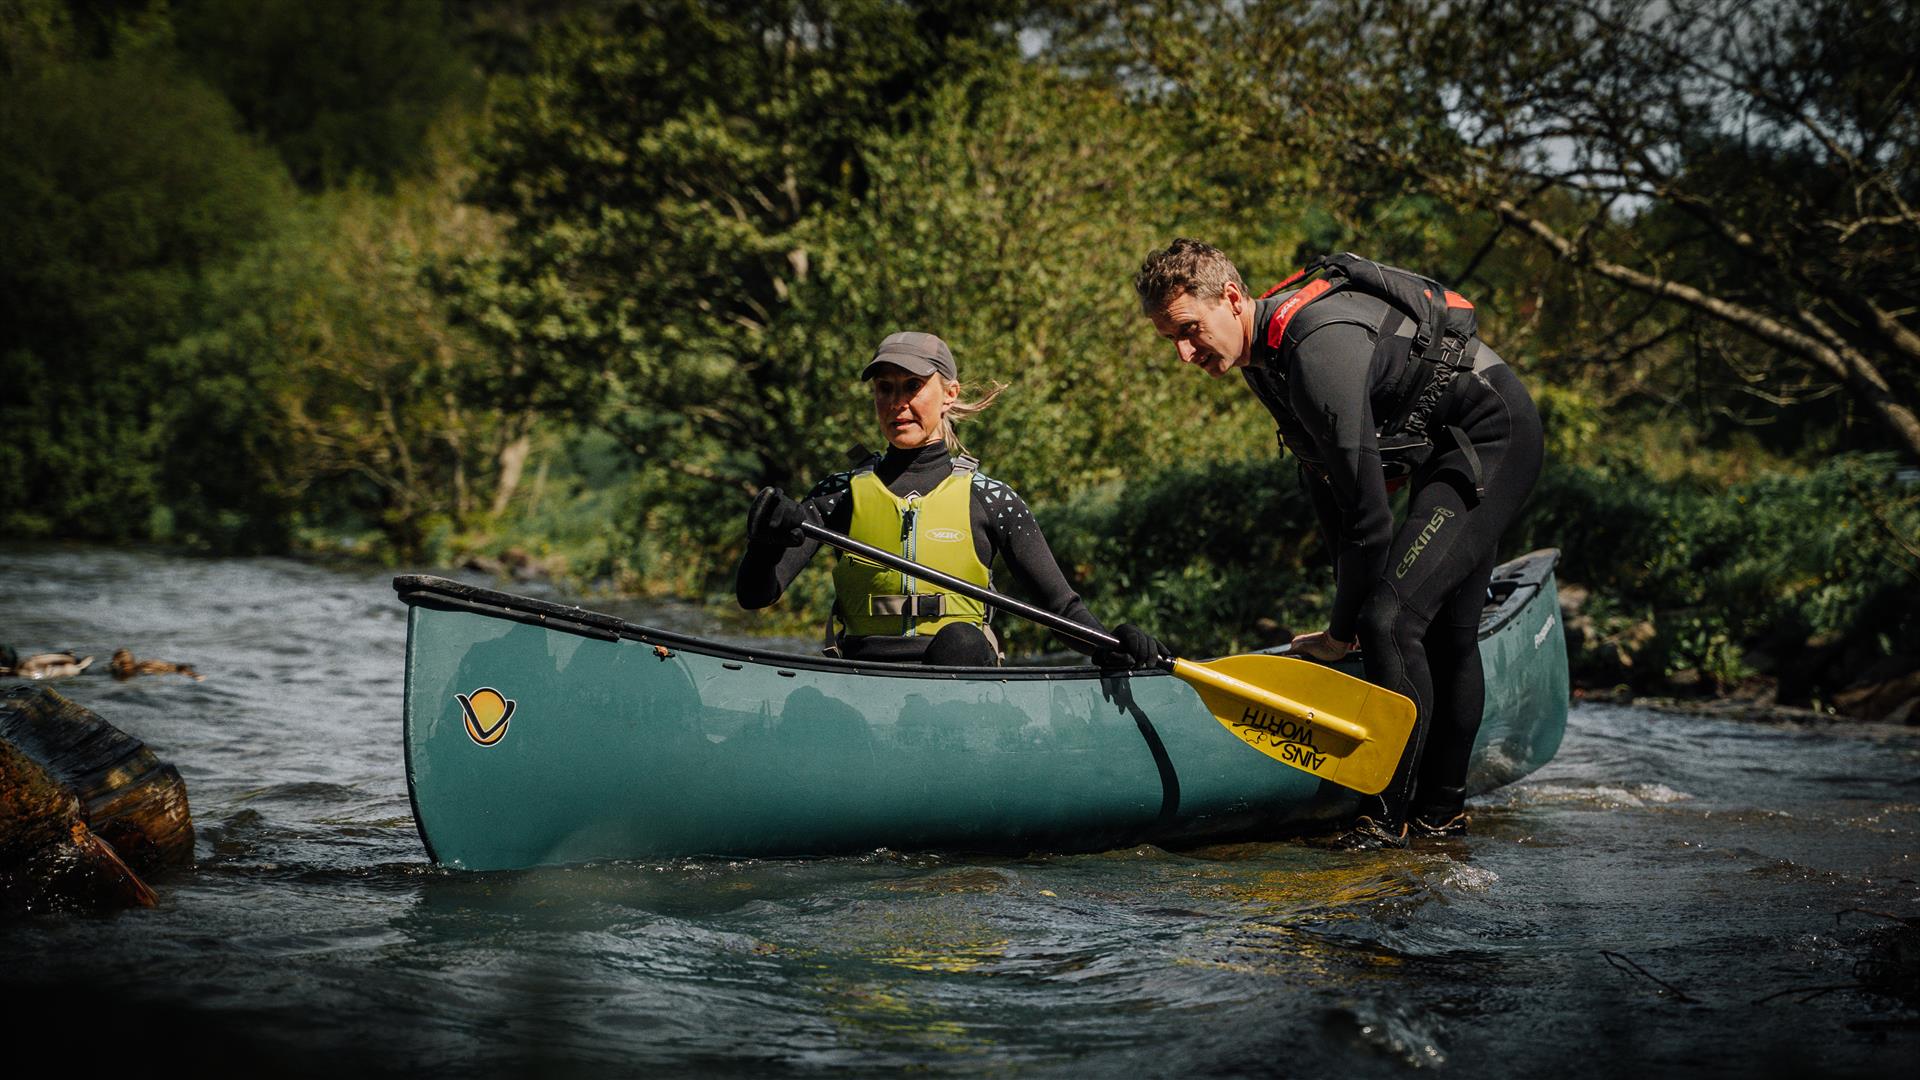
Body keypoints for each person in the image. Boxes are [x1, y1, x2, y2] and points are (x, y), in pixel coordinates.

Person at [1132, 240, 1544, 848]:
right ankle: (1440, 818)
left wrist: (1343, 628)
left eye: (1189, 330)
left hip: (1491, 438)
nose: (1184, 353)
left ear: (1231, 297)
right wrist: (1342, 620)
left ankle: (1386, 819)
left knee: (1390, 621)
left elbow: (1369, 521)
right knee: (1442, 633)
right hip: (1446, 448)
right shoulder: (1264, 359)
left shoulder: (1313, 350)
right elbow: (1327, 486)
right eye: (1170, 339)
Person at [736, 331, 1161, 668]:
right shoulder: (837, 495)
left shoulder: (992, 500)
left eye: (912, 387)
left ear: (949, 394)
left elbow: (1060, 605)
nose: (897, 403)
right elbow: (756, 595)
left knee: (959, 640)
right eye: (885, 389)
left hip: (959, 680)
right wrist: (765, 543)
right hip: (863, 676)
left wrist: (1112, 643)